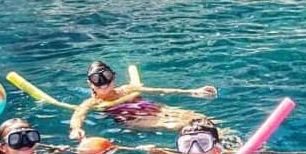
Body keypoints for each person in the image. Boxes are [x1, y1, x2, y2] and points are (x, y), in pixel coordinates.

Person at [68, 61, 217, 140]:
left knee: (201, 120)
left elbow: (160, 90)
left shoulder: (126, 89)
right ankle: (213, 145)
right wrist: (76, 129)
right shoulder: (93, 103)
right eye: (97, 80)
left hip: (155, 109)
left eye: (106, 76)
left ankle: (226, 138)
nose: (104, 83)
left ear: (113, 77)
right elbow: (78, 114)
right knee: (179, 125)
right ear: (90, 84)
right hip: (133, 119)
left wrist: (192, 91)